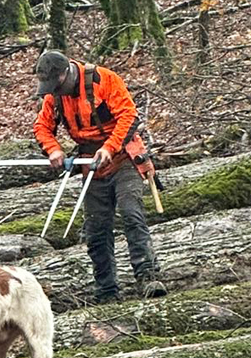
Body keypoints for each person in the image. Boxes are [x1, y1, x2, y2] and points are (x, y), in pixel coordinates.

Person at [33, 50, 166, 303]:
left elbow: (129, 116)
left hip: (123, 157)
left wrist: (110, 147)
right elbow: (42, 126)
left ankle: (148, 277)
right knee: (96, 229)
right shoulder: (54, 95)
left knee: (132, 214)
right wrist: (53, 149)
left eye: (56, 86)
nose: (54, 92)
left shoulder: (104, 80)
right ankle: (106, 290)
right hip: (90, 163)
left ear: (65, 74)